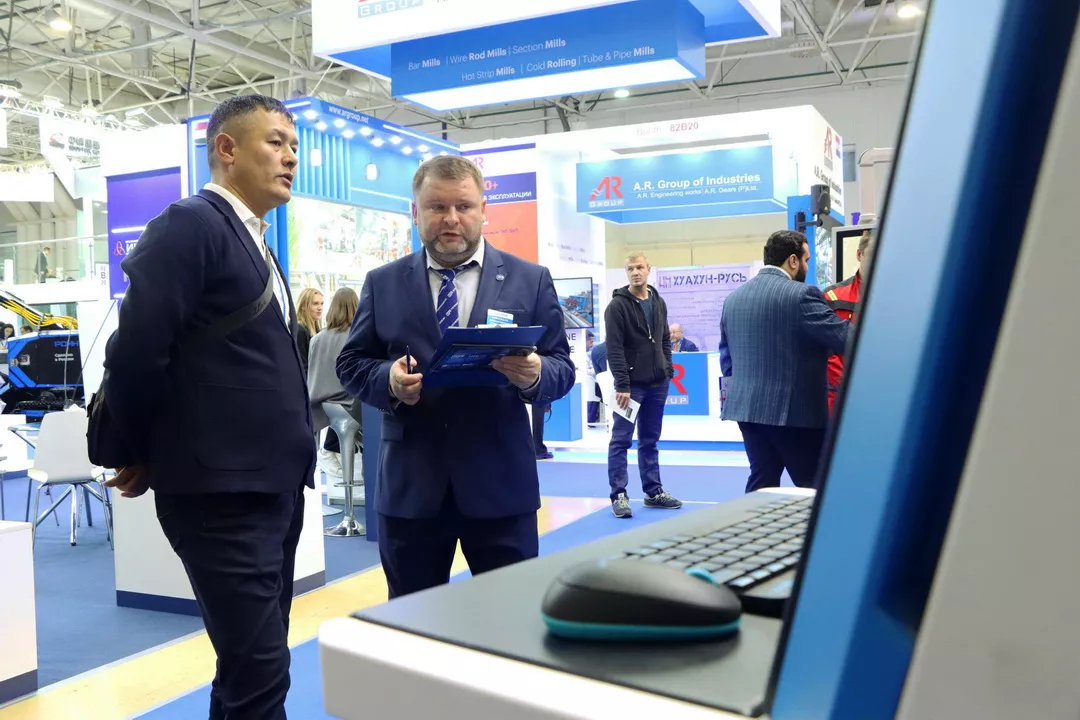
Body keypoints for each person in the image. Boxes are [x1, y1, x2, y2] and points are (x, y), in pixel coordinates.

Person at [102, 94, 313, 719]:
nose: (290, 158)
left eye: (293, 146)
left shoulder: (255, 243)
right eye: (275, 142)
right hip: (221, 495)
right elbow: (137, 352)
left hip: (272, 489)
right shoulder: (190, 225)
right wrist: (139, 449)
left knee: (251, 667)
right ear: (226, 148)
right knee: (260, 672)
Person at [336, 154, 575, 599]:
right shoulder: (383, 283)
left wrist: (536, 374)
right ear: (415, 212)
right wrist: (388, 379)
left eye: (463, 206)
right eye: (436, 206)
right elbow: (351, 364)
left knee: (510, 619)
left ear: (484, 210)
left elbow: (562, 367)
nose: (451, 219)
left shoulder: (530, 280)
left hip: (501, 485)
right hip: (411, 489)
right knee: (411, 622)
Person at [719, 230, 850, 493]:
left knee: (762, 484)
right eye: (806, 260)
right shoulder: (802, 295)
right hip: (795, 414)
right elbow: (846, 339)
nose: (807, 266)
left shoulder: (734, 299)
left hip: (747, 411)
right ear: (792, 260)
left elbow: (727, 359)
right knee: (814, 488)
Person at [604, 253, 683, 519]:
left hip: (658, 384)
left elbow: (664, 340)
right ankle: (619, 495)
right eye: (630, 269)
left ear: (649, 270)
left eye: (639, 267)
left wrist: (667, 370)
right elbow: (614, 348)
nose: (635, 272)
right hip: (630, 388)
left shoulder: (658, 301)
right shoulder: (616, 306)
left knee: (650, 440)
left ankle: (653, 491)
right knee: (621, 441)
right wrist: (622, 384)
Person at [309, 287, 361, 477]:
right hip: (349, 406)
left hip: (320, 406)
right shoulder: (357, 338)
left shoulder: (316, 339)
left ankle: (330, 451)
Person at [823, 229, 875, 412]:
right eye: (872, 253)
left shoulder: (898, 298)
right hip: (839, 397)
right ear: (859, 254)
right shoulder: (833, 296)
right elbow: (825, 348)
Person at [295, 287, 323, 373]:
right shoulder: (300, 330)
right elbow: (303, 365)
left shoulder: (317, 330)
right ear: (303, 306)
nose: (320, 308)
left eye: (322, 304)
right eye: (315, 304)